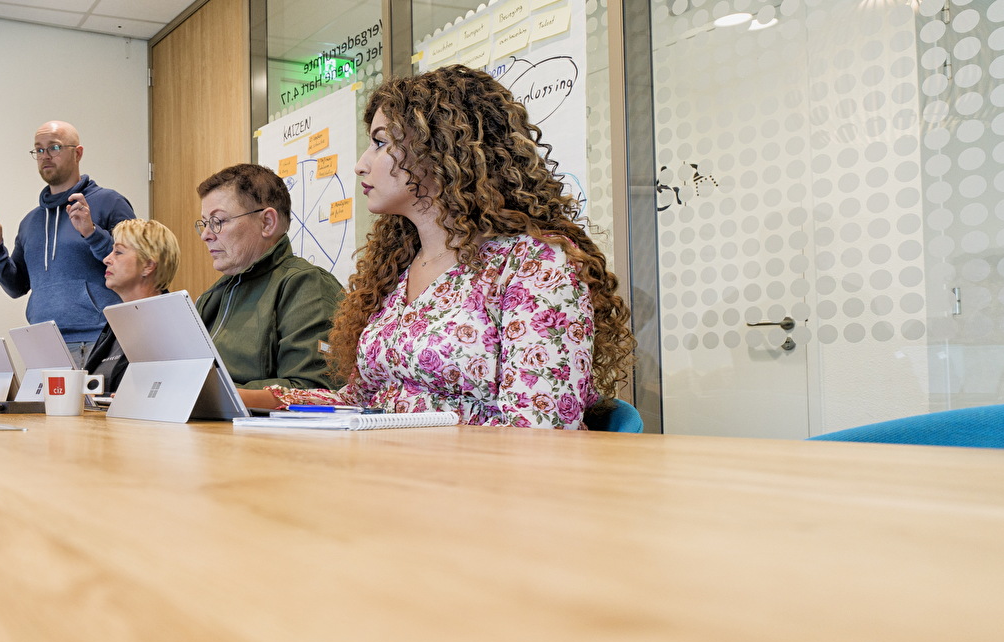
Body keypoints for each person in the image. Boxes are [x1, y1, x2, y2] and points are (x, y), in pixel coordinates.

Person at [250, 65, 635, 429]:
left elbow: (540, 431)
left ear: (440, 149)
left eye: (380, 143)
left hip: (476, 488)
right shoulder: (398, 269)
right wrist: (248, 399)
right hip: (391, 477)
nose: (361, 165)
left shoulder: (534, 264)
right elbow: (359, 402)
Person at [0, 120, 135, 366]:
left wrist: (91, 232)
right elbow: (16, 287)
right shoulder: (31, 221)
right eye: (38, 150)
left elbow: (134, 266)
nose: (45, 156)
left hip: (98, 340)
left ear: (78, 153)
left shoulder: (109, 202)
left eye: (54, 148)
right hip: (43, 344)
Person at [193, 164, 344, 390]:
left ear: (267, 223)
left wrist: (212, 394)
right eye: (205, 223)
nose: (206, 235)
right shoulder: (212, 296)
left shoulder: (306, 284)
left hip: (262, 425)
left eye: (218, 222)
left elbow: (312, 390)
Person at [83, 219, 180, 393]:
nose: (106, 259)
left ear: (148, 266)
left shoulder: (171, 329)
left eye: (118, 252)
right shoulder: (115, 324)